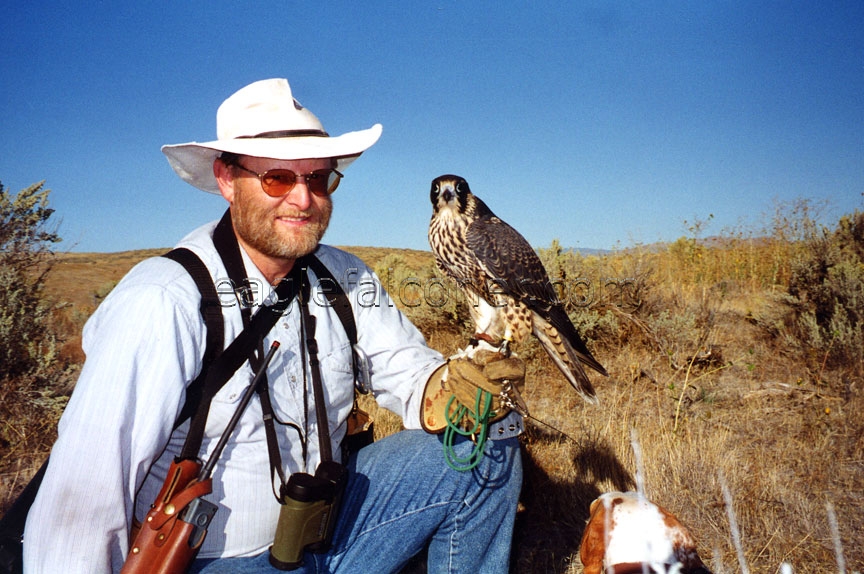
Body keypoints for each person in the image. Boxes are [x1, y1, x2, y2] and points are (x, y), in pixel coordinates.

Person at [23, 78, 524, 573]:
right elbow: (84, 496)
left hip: (332, 528)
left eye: (319, 178)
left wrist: (453, 388)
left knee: (488, 448)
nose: (303, 200)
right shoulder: (163, 299)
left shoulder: (347, 276)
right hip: (214, 559)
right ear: (225, 179)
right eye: (278, 178)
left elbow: (407, 371)